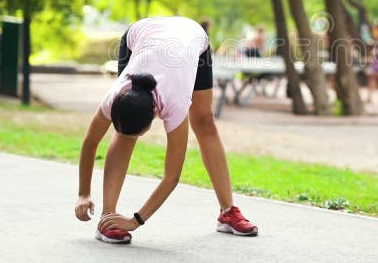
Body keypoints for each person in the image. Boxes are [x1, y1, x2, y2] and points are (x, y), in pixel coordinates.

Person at [75, 16, 258, 244]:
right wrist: (83, 193)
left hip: (192, 40)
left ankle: (228, 211)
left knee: (204, 121)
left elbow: (172, 176)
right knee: (124, 133)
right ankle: (108, 219)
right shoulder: (114, 97)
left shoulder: (175, 102)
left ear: (155, 114)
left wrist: (135, 221)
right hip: (141, 36)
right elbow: (90, 142)